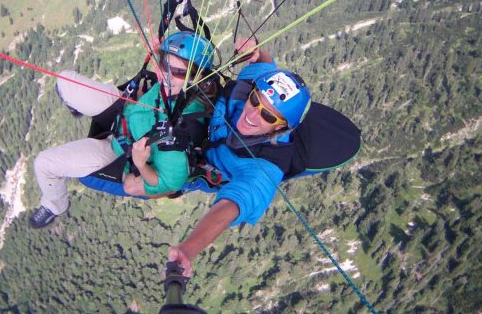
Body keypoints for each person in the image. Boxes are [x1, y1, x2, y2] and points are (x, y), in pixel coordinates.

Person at [28, 31, 216, 228]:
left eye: (177, 71)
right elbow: (166, 76)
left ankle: (54, 204)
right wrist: (159, 53)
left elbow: (168, 185)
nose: (166, 75)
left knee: (44, 164)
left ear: (199, 76)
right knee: (65, 81)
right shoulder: (178, 86)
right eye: (164, 64)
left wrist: (141, 165)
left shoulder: (180, 137)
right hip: (125, 110)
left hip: (118, 152)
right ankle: (77, 106)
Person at [167, 38, 312, 276]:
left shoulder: (265, 166)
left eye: (268, 116)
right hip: (196, 118)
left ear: (282, 128)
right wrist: (256, 48)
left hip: (198, 163)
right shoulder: (249, 86)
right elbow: (266, 63)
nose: (252, 115)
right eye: (255, 101)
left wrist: (188, 250)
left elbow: (233, 204)